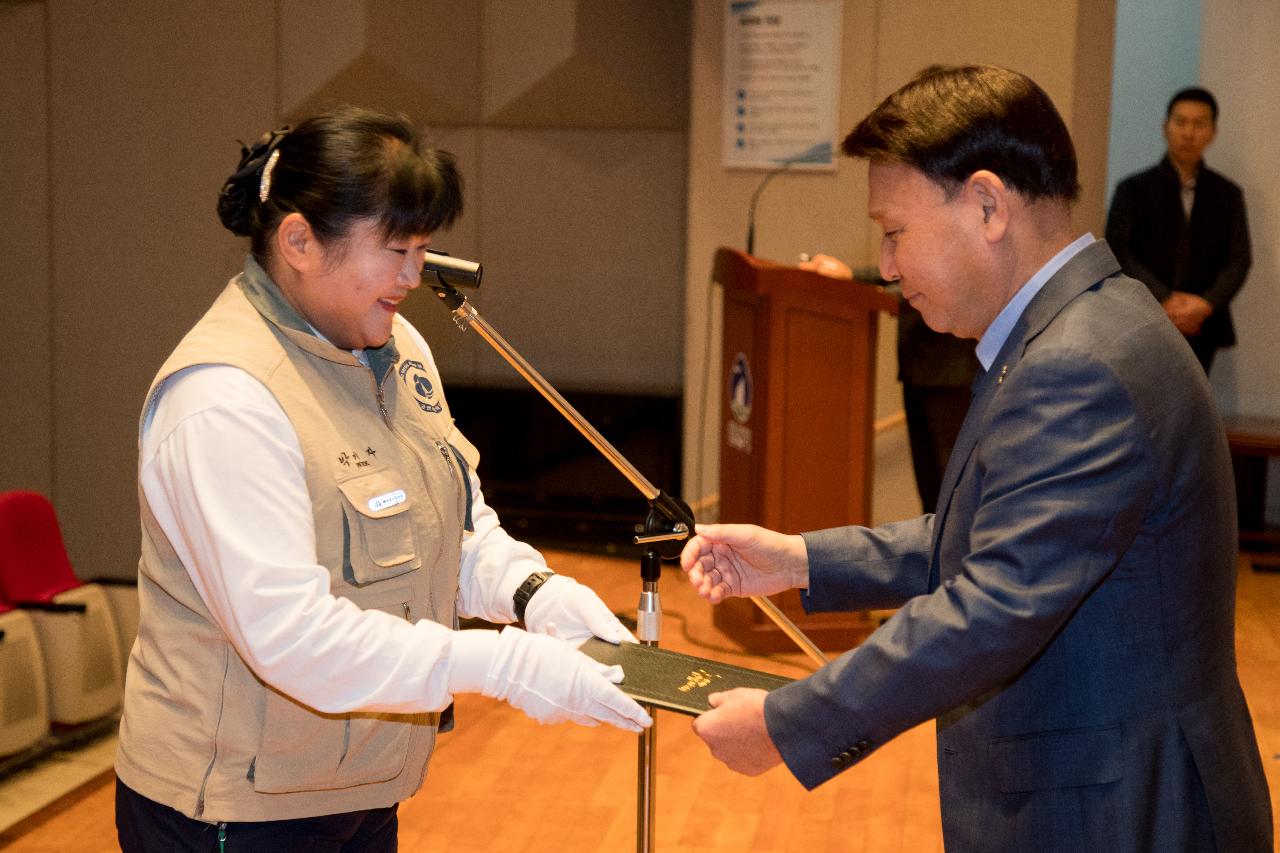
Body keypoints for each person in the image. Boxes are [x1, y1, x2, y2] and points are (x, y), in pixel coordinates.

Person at [682, 66, 1272, 851]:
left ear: (989, 205)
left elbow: (994, 602)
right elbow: (992, 533)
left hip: (1117, 807)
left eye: (894, 232)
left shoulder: (1078, 363)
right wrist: (799, 561)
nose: (887, 266)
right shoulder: (1084, 325)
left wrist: (788, 722)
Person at [115, 106, 651, 852]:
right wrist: (501, 663)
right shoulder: (224, 398)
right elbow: (293, 638)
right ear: (299, 240)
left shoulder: (394, 345)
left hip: (358, 787)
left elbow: (449, 526)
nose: (414, 277)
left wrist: (532, 593)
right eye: (396, 250)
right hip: (235, 811)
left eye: (424, 249)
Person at [800, 254, 977, 512]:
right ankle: (935, 551)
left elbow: (951, 278)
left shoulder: (958, 222)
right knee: (931, 495)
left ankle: (954, 552)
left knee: (952, 495)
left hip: (952, 374)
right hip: (917, 370)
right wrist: (852, 275)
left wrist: (881, 293)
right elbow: (903, 270)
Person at [1105, 86, 1251, 373]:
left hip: (1203, 322)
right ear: (1165, 127)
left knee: (1193, 409)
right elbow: (1118, 249)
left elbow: (1239, 258)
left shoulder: (1228, 193)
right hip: (1144, 316)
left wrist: (1205, 304)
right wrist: (1164, 299)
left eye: (1199, 124)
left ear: (1213, 132)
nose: (1188, 133)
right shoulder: (1134, 189)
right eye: (1181, 122)